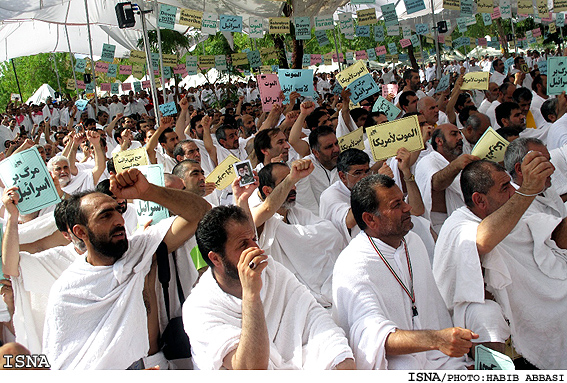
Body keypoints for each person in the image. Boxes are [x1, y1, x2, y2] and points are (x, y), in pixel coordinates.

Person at [42, 168, 211, 369]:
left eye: (117, 211)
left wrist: (148, 191)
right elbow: (67, 362)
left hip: (156, 364)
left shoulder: (141, 249)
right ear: (80, 232)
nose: (119, 220)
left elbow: (201, 212)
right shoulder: (68, 291)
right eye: (105, 216)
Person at [183, 205, 356, 370]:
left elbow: (312, 315)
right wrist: (251, 295)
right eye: (243, 245)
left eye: (254, 239)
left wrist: (340, 357)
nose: (256, 249)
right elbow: (250, 369)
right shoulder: (198, 308)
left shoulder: (271, 270)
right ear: (216, 259)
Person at [332, 174, 476, 370]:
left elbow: (433, 310)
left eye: (403, 200)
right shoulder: (354, 263)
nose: (407, 208)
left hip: (436, 354)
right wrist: (435, 339)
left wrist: (441, 342)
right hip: (394, 363)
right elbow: (373, 337)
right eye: (396, 204)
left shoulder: (413, 242)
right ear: (370, 219)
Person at [453, 155, 567, 369]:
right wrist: (528, 190)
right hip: (495, 313)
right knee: (487, 316)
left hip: (544, 296)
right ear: (479, 200)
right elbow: (482, 240)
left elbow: (553, 233)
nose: (513, 191)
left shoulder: (509, 212)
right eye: (505, 187)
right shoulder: (459, 225)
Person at [251, 159, 345, 306]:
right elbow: (266, 210)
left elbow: (331, 235)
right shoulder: (260, 219)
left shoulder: (296, 212)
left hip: (320, 291)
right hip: (287, 299)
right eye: (286, 182)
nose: (293, 187)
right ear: (267, 191)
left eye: (293, 182)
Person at [415, 124, 479, 233]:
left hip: (468, 220)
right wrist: (456, 166)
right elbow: (436, 184)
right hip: (440, 227)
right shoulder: (428, 161)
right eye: (454, 134)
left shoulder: (461, 160)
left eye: (459, 134)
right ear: (439, 141)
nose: (460, 137)